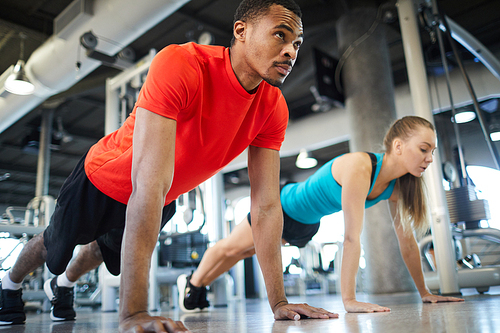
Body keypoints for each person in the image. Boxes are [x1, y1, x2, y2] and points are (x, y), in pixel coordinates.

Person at [0, 0, 338, 331]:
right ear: (241, 31)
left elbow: (265, 207)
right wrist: (133, 313)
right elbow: (146, 184)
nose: (291, 51)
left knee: (98, 253)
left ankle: (64, 285)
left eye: (296, 43)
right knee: (52, 245)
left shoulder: (273, 107)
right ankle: (10, 285)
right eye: (281, 35)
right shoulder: (183, 63)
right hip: (104, 176)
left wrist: (279, 303)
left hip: (161, 195)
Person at [178, 116, 465, 313]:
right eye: (424, 149)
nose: (429, 158)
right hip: (282, 206)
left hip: (306, 225)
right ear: (398, 146)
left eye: (432, 151)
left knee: (244, 252)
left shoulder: (397, 187)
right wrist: (349, 300)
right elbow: (351, 237)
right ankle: (194, 285)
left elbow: (408, 244)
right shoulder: (360, 168)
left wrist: (425, 292)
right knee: (232, 247)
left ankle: (199, 286)